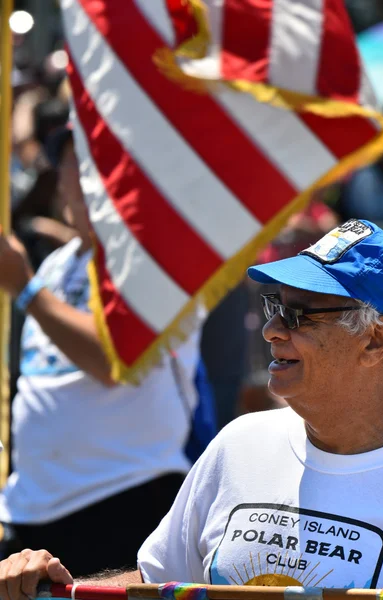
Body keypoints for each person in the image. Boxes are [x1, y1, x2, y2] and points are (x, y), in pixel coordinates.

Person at [5, 218, 383, 599]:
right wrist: (52, 590)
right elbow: (155, 583)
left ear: (376, 339)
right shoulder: (240, 444)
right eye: (274, 308)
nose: (272, 330)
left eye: (299, 316)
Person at [0, 126, 212, 577]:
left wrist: (23, 286)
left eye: (81, 162)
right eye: (67, 163)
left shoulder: (158, 256)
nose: (64, 177)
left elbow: (111, 362)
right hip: (34, 511)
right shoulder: (60, 263)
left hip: (125, 499)